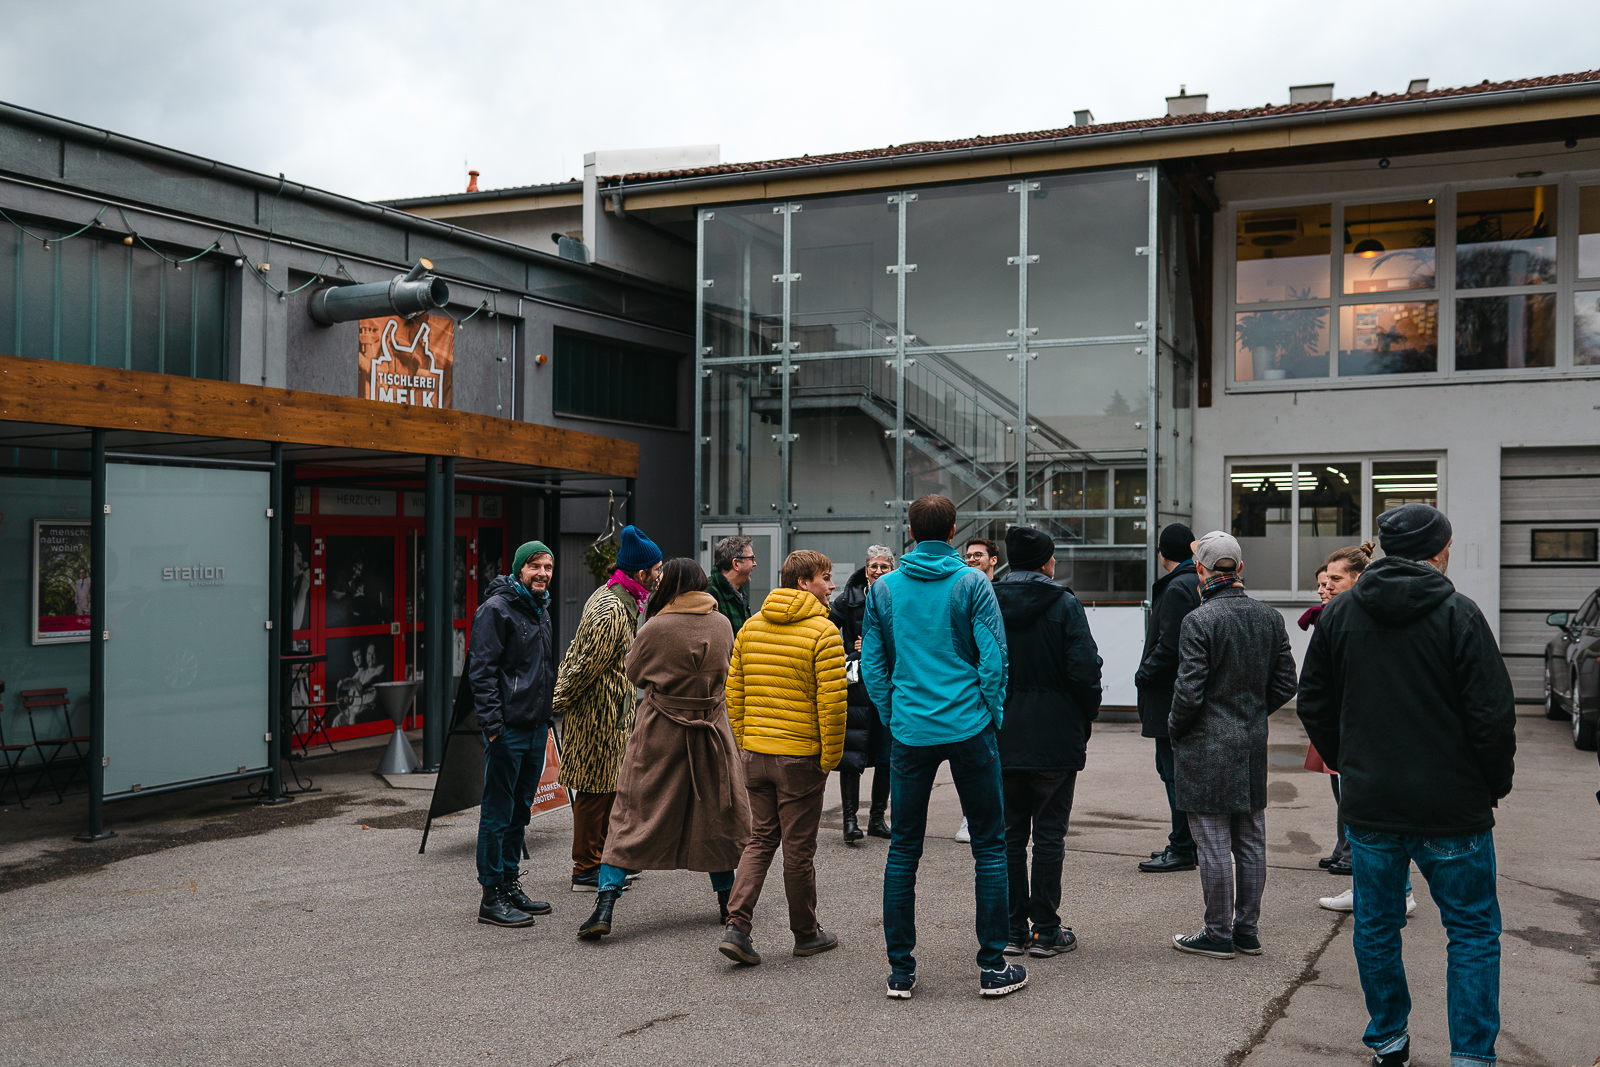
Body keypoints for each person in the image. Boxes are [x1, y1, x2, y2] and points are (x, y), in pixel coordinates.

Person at [1298, 504, 1516, 1067]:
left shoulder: (1340, 615)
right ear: (1439, 550)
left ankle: (1389, 1042)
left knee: (1376, 924)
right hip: (1453, 805)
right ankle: (1471, 1056)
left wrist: (1351, 762)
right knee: (1470, 932)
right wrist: (1491, 783)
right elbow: (1492, 714)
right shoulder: (1459, 614)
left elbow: (1314, 702)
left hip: (1372, 803)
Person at [862, 495, 1022, 999]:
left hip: (911, 730)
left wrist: (894, 717)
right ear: (953, 530)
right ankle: (993, 967)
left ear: (909, 530)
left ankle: (900, 972)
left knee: (904, 849)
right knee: (989, 847)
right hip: (969, 726)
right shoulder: (973, 582)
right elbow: (994, 659)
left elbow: (874, 665)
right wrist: (990, 715)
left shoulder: (883, 588)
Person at [578, 559, 752, 940]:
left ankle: (604, 906)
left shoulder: (655, 627)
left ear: (669, 584)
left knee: (631, 815)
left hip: (661, 732)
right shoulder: (722, 623)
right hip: (711, 730)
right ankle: (727, 904)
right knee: (714, 817)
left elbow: (634, 673)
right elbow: (726, 669)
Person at [1168, 531, 1297, 960]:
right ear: (1239, 568)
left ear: (1201, 571)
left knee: (1212, 842)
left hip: (1206, 743)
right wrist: (1253, 712)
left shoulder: (1199, 620)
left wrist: (1176, 728)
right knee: (1251, 839)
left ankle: (1217, 932)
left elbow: (1188, 692)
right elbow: (1286, 682)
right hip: (1250, 740)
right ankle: (1247, 930)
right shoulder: (1270, 617)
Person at [718, 549, 847, 966]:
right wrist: (830, 756)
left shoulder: (752, 627)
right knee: (798, 850)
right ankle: (806, 933)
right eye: (825, 578)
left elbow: (733, 693)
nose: (831, 586)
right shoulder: (823, 632)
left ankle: (737, 926)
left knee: (759, 840)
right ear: (803, 583)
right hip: (799, 757)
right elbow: (832, 703)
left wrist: (744, 742)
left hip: (756, 753)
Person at [992, 525, 1102, 960]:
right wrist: (1084, 714)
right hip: (1056, 734)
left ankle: (1013, 930)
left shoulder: (987, 600)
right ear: (1046, 562)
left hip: (1002, 733)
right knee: (1050, 836)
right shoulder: (1064, 603)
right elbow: (1084, 669)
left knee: (1009, 836)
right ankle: (1046, 930)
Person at [1306, 545, 1419, 918]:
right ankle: (1378, 888)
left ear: (1358, 578)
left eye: (1335, 579)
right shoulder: (1348, 615)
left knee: (1372, 818)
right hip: (1357, 734)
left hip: (1366, 736)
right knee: (1367, 817)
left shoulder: (1358, 617)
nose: (1327, 587)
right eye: (1325, 581)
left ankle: (1386, 891)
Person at [553, 525, 663, 893]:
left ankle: (601, 860)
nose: (660, 575)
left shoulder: (624, 599)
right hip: (596, 715)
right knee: (593, 790)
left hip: (612, 713)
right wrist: (553, 703)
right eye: (656, 570)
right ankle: (585, 867)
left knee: (608, 788)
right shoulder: (613, 609)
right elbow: (583, 665)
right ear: (640, 573)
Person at [468, 540, 558, 928]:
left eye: (548, 567)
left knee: (521, 810)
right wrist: (493, 728)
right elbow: (481, 671)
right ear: (519, 569)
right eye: (534, 566)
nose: (542, 573)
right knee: (497, 813)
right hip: (507, 731)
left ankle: (509, 881)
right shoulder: (495, 609)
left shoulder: (540, 608)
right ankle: (491, 895)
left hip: (536, 726)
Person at [1134, 523, 1202, 874]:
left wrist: (1143, 675)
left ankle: (1182, 846)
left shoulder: (1177, 588)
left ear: (1162, 553)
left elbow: (1170, 644)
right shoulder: (1197, 582)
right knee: (1180, 772)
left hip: (1169, 696)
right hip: (1188, 694)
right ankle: (1187, 843)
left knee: (1173, 773)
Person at [829, 545, 896, 842]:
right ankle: (849, 821)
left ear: (892, 569)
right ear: (865, 568)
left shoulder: (899, 595)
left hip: (889, 683)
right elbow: (828, 632)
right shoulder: (848, 598)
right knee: (852, 752)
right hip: (856, 686)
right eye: (873, 566)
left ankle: (878, 819)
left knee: (887, 755)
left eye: (884, 566)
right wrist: (848, 650)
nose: (878, 571)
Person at [953, 536, 1000, 844]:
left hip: (993, 690)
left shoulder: (997, 593)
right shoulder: (961, 590)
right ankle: (970, 818)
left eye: (978, 555)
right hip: (972, 694)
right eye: (968, 555)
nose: (971, 560)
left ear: (993, 559)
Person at [709, 534, 757, 635]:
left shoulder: (738, 592)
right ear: (736, 564)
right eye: (751, 559)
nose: (755, 564)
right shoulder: (708, 593)